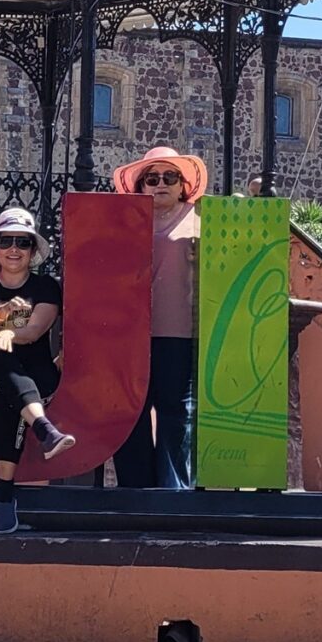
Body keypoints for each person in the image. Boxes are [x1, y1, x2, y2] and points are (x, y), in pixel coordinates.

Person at [0, 206, 77, 533]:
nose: (14, 249)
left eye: (23, 243)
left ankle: (4, 502)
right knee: (0, 361)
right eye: (7, 241)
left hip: (37, 375)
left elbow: (37, 330)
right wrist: (3, 315)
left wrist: (10, 332)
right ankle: (43, 428)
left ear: (33, 251)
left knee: (9, 398)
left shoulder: (46, 288)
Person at [111, 145, 207, 489]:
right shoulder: (123, 223)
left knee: (176, 410)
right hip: (129, 331)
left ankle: (173, 488)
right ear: (140, 187)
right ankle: (135, 488)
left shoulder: (202, 220)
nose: (161, 184)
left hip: (179, 330)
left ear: (184, 185)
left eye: (170, 177)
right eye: (152, 178)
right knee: (129, 409)